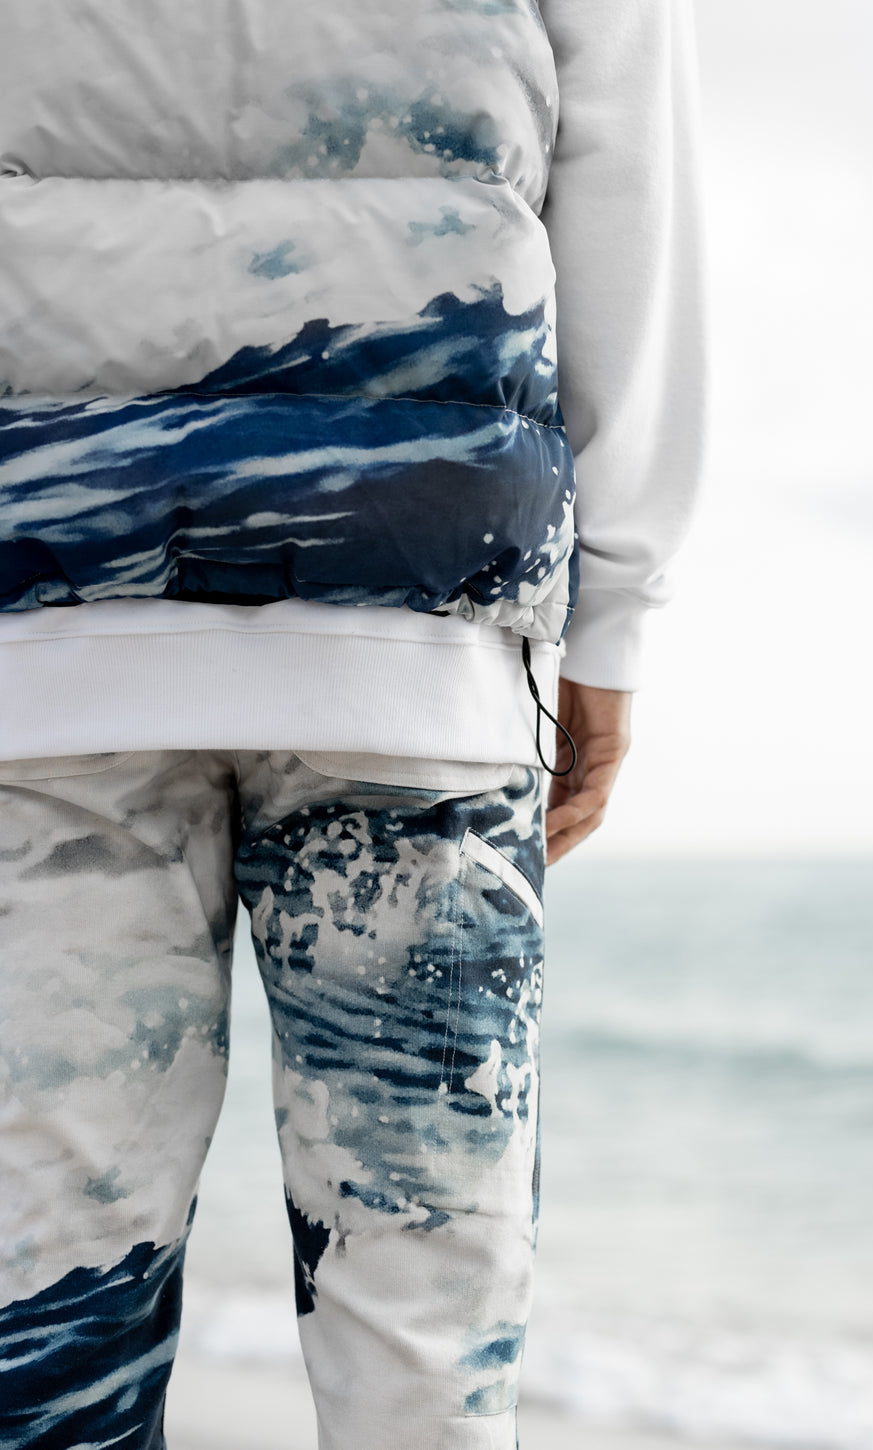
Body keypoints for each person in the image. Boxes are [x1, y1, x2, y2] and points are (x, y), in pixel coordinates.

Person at [0, 0, 705, 1443]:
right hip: (420, 624)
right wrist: (614, 608)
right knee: (425, 1333)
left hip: (47, 626)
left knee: (45, 1314)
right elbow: (631, 178)